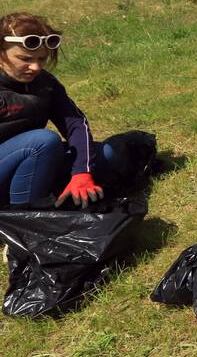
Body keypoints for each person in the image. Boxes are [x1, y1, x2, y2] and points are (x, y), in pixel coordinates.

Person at [0, 12, 127, 209]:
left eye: (41, 59)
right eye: (24, 58)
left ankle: (61, 193)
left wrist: (82, 173)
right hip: (16, 160)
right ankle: (22, 216)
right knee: (43, 141)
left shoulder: (45, 83)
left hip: (30, 161)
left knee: (106, 154)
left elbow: (76, 123)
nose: (35, 67)